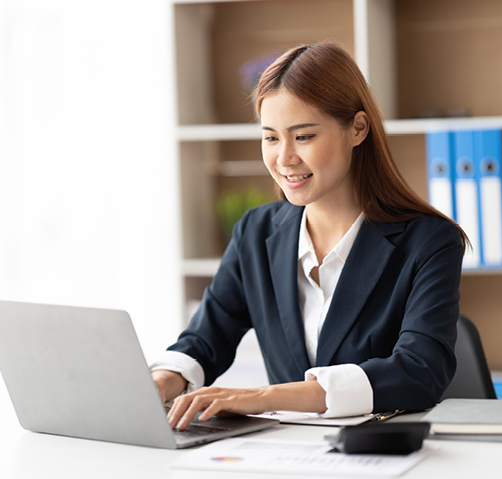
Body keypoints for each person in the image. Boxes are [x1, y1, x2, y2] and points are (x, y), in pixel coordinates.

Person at [151, 42, 467, 431]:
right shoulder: (256, 231)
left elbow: (419, 371)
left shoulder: (429, 241)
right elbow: (206, 337)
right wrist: (165, 380)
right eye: (270, 138)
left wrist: (263, 397)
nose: (284, 158)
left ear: (358, 128)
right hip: (285, 454)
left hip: (383, 453)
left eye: (303, 136)